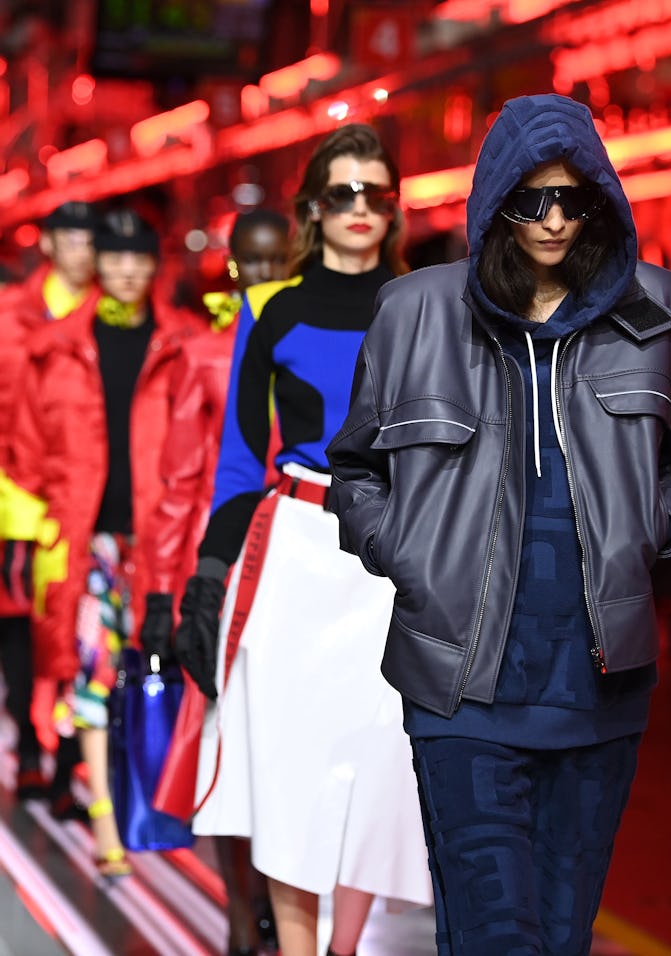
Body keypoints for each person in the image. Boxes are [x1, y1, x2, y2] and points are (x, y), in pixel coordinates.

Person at [326, 93, 671, 956]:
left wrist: (647, 532)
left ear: (603, 201)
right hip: (460, 684)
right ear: (493, 201)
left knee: (559, 936)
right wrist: (409, 555)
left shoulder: (659, 311)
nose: (552, 221)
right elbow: (355, 469)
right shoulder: (416, 312)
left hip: (600, 687)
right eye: (530, 199)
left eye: (573, 199)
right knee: (493, 934)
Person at [173, 123, 432, 956]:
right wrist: (208, 576)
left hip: (387, 562)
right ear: (312, 209)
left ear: (393, 208)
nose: (361, 207)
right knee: (285, 768)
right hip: (290, 553)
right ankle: (294, 949)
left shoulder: (426, 307)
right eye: (342, 192)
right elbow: (239, 461)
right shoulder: (273, 311)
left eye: (377, 191)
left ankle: (342, 951)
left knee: (375, 769)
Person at [4, 209, 199, 876]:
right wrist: (34, 535)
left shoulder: (187, 343)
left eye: (136, 257)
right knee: (88, 678)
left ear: (154, 264)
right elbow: (27, 448)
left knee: (160, 671)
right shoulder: (55, 345)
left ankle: (159, 806)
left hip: (161, 540)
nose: (122, 268)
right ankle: (106, 823)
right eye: (112, 255)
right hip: (86, 541)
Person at [139, 208, 289, 956]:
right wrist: (163, 593)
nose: (262, 278)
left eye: (275, 264)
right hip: (223, 568)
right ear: (233, 269)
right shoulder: (202, 355)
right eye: (251, 265)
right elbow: (177, 482)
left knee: (287, 741)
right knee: (222, 736)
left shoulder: (308, 345)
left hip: (297, 559)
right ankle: (241, 909)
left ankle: (273, 898)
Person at [0, 201, 98, 807]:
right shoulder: (10, 316)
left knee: (79, 634)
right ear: (51, 246)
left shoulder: (111, 320)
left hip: (80, 502)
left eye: (91, 241)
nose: (83, 251)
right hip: (12, 501)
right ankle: (32, 751)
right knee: (18, 630)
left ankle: (65, 764)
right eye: (73, 239)